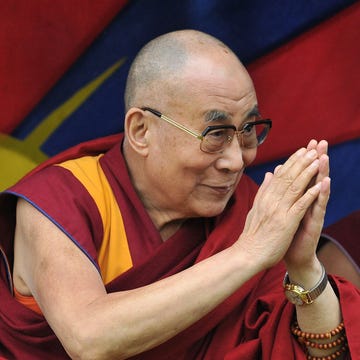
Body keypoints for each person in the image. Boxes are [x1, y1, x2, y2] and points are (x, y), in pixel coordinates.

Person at [0, 29, 359, 360]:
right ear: (141, 130)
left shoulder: (246, 212)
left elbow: (323, 353)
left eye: (248, 129)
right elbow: (89, 337)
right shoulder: (62, 199)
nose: (237, 161)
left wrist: (304, 268)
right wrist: (248, 253)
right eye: (216, 133)